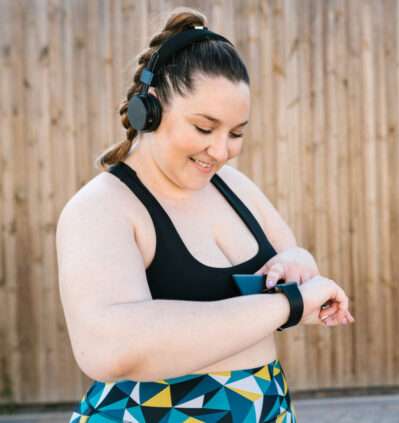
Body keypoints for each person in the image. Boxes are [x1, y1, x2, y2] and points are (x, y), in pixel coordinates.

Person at [57, 7, 354, 423]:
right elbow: (110, 348)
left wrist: (299, 264)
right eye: (203, 128)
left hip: (262, 405)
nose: (220, 151)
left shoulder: (235, 187)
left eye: (236, 134)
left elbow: (298, 288)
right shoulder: (101, 208)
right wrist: (285, 305)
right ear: (151, 108)